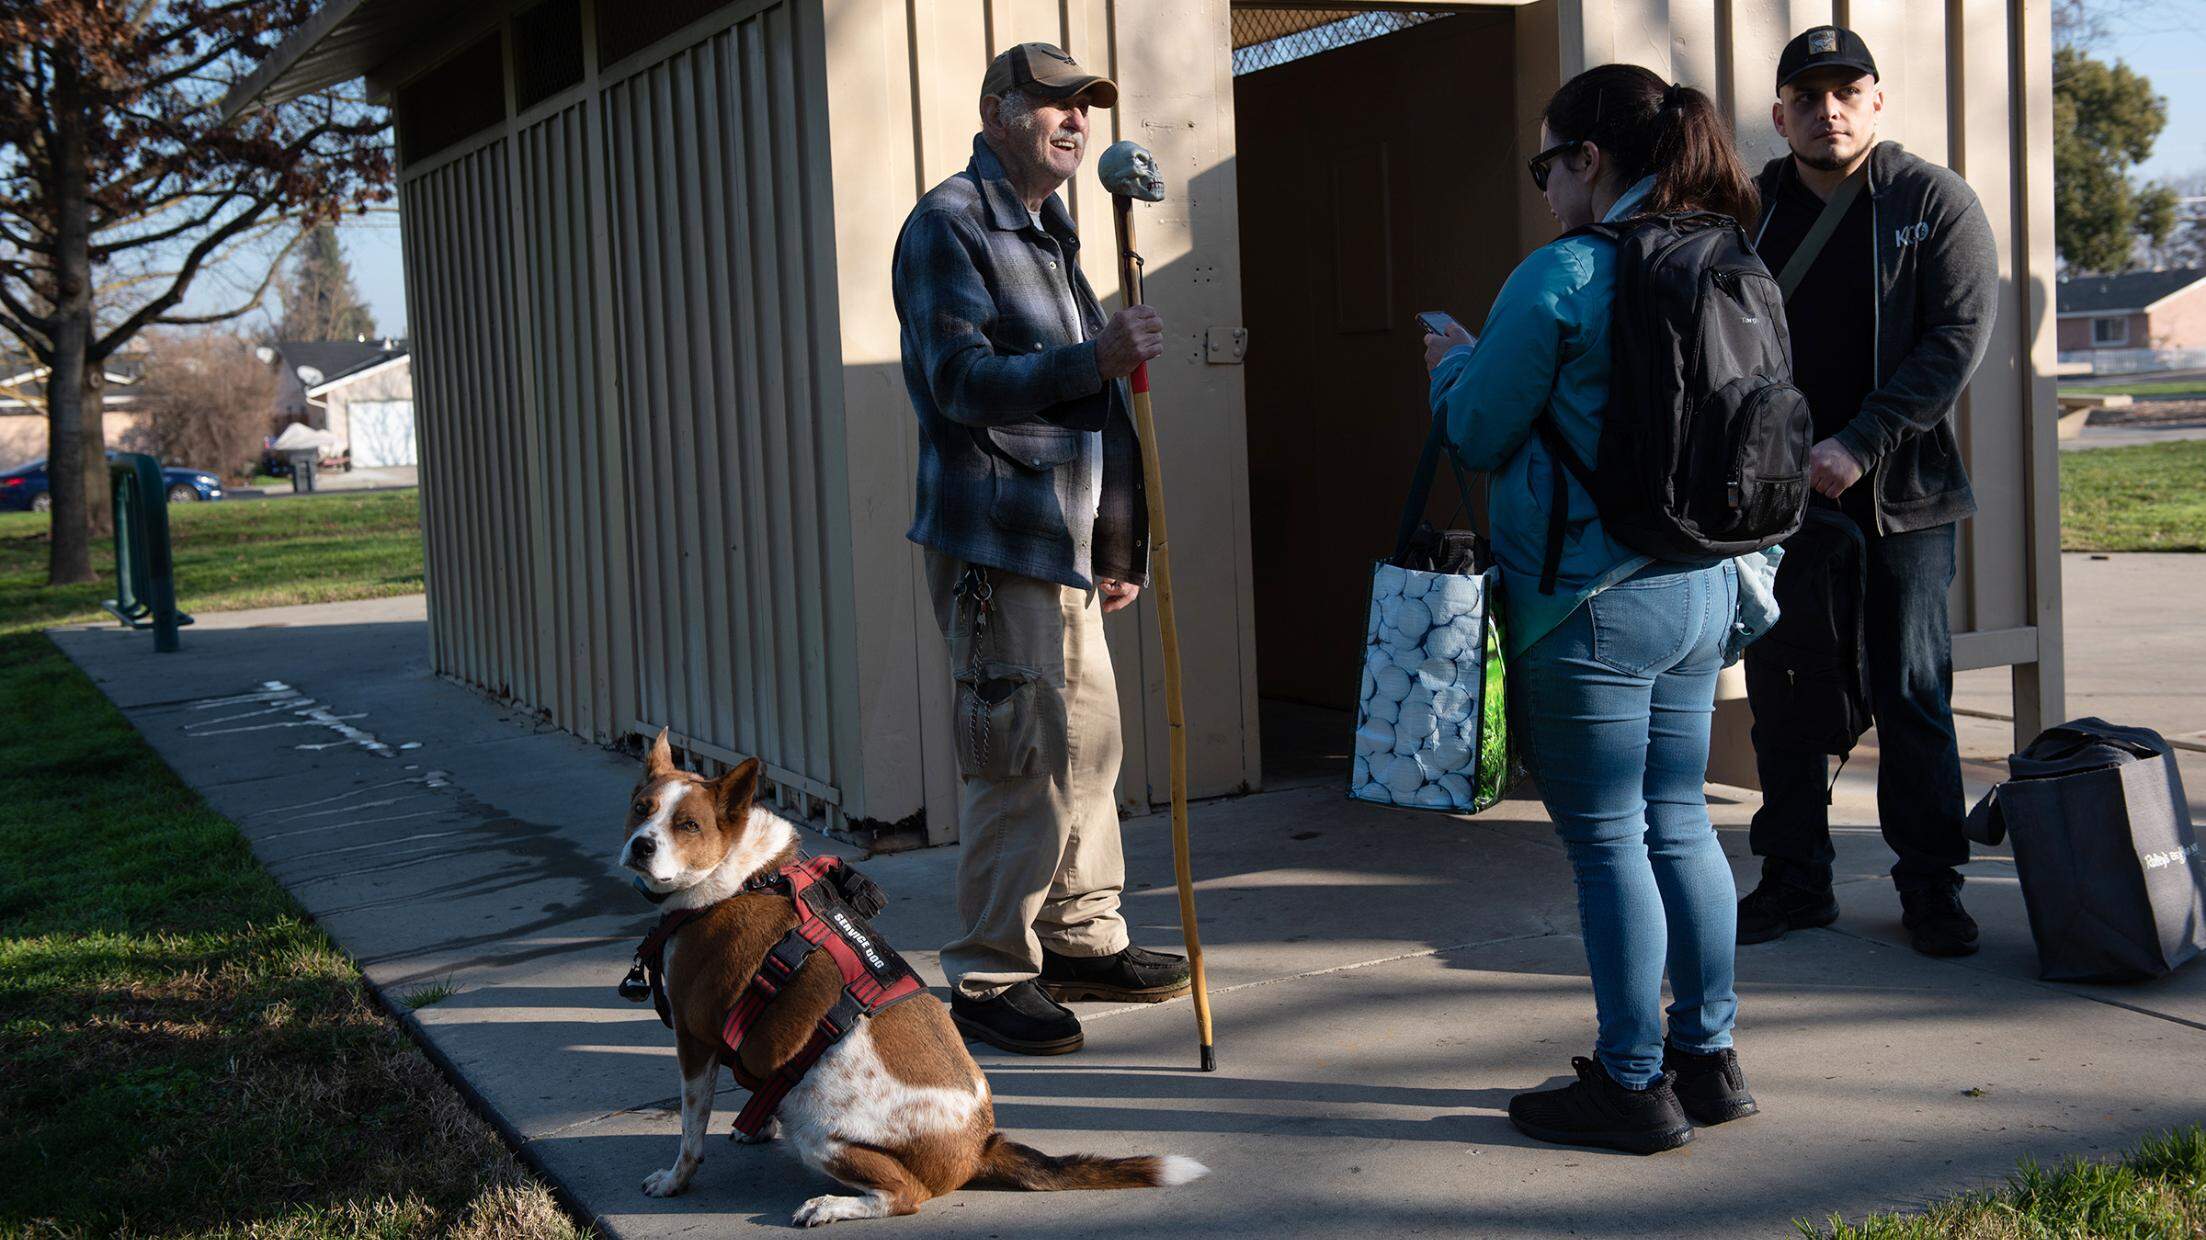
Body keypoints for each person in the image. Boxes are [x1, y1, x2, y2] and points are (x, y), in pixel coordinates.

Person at [1425, 63, 1763, 1155]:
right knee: (1680, 821)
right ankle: (1706, 1058)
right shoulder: (1730, 258)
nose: (1543, 190)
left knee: (1609, 840)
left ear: (1589, 160)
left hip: (1589, 604)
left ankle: (1629, 1082)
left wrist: (1450, 369)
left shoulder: (1561, 275)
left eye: (1546, 165)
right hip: (1703, 587)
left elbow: (1477, 432)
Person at [890, 42, 1191, 1056]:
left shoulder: (1055, 227)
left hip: (1062, 545)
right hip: (994, 541)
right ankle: (986, 970)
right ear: (994, 110)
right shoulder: (950, 226)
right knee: (1019, 759)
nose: (1073, 121)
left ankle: (1076, 938)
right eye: (1051, 103)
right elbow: (959, 382)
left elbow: (1094, 410)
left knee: (1089, 746)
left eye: (1084, 108)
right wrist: (1089, 355)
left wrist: (1118, 540)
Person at [1737, 27, 1999, 958]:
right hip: (1779, 502)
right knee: (1786, 693)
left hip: (1904, 501)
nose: (1828, 109)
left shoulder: (1932, 201)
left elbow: (1955, 341)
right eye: (1807, 96)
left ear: (1877, 102)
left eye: (1846, 91)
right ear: (1781, 116)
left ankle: (1931, 885)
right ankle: (1796, 880)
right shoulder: (1751, 211)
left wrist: (1862, 441)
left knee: (1913, 692)